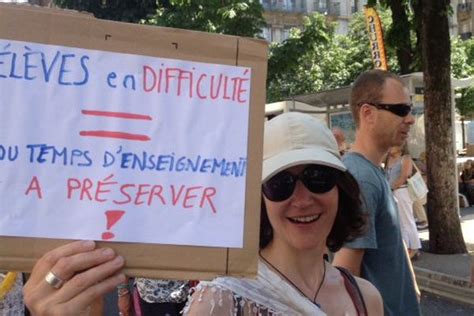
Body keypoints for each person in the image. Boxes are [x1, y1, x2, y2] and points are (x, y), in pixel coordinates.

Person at [23, 112, 383, 315]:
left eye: (318, 178)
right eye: (280, 184)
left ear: (341, 189)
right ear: (258, 198)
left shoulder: (365, 297)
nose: (302, 199)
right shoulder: (221, 301)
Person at [332, 69, 421, 316]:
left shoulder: (370, 171)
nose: (410, 119)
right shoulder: (361, 179)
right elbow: (345, 276)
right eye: (401, 110)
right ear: (368, 113)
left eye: (410, 109)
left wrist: (409, 281)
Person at [385, 145, 422, 259]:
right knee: (400, 222)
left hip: (402, 191)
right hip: (392, 192)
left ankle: (414, 247)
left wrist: (391, 188)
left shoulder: (405, 159)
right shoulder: (388, 159)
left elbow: (404, 176)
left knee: (407, 220)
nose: (390, 147)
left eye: (393, 145)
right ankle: (405, 247)